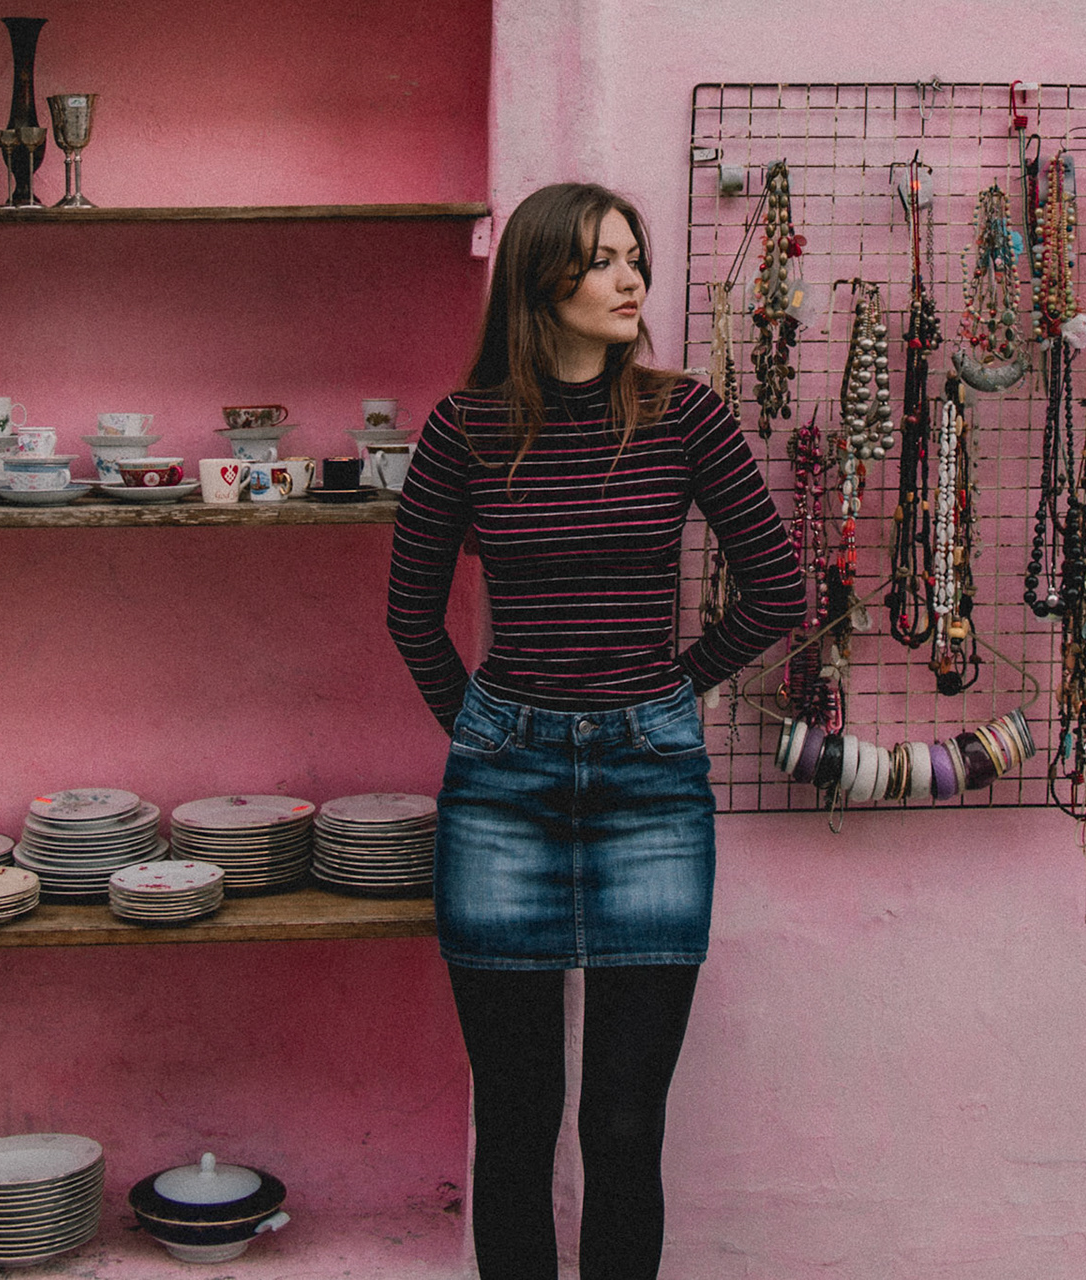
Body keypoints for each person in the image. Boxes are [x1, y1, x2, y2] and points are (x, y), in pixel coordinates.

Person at [385, 182, 802, 1279]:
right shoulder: (465, 428)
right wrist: (481, 730)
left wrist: (671, 691)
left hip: (649, 789)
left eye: (635, 258)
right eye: (604, 260)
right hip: (503, 791)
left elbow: (777, 587)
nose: (632, 281)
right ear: (542, 278)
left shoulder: (685, 415)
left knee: (623, 1124)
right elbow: (411, 613)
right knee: (517, 1119)